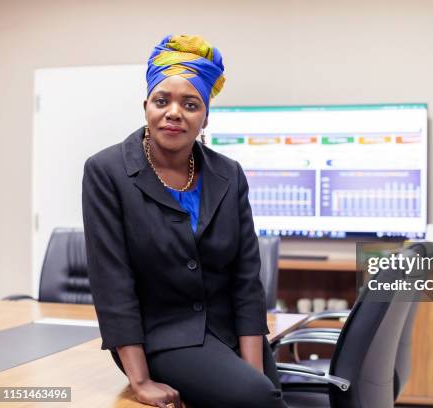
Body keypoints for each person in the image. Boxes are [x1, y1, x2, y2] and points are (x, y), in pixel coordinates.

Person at [82, 34, 287, 408]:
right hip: (163, 336)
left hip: (229, 331)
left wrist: (254, 369)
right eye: (162, 101)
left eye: (190, 104)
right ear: (146, 106)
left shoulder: (229, 173)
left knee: (264, 396)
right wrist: (140, 380)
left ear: (205, 115)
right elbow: (112, 283)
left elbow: (246, 277)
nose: (174, 112)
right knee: (257, 399)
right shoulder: (106, 172)